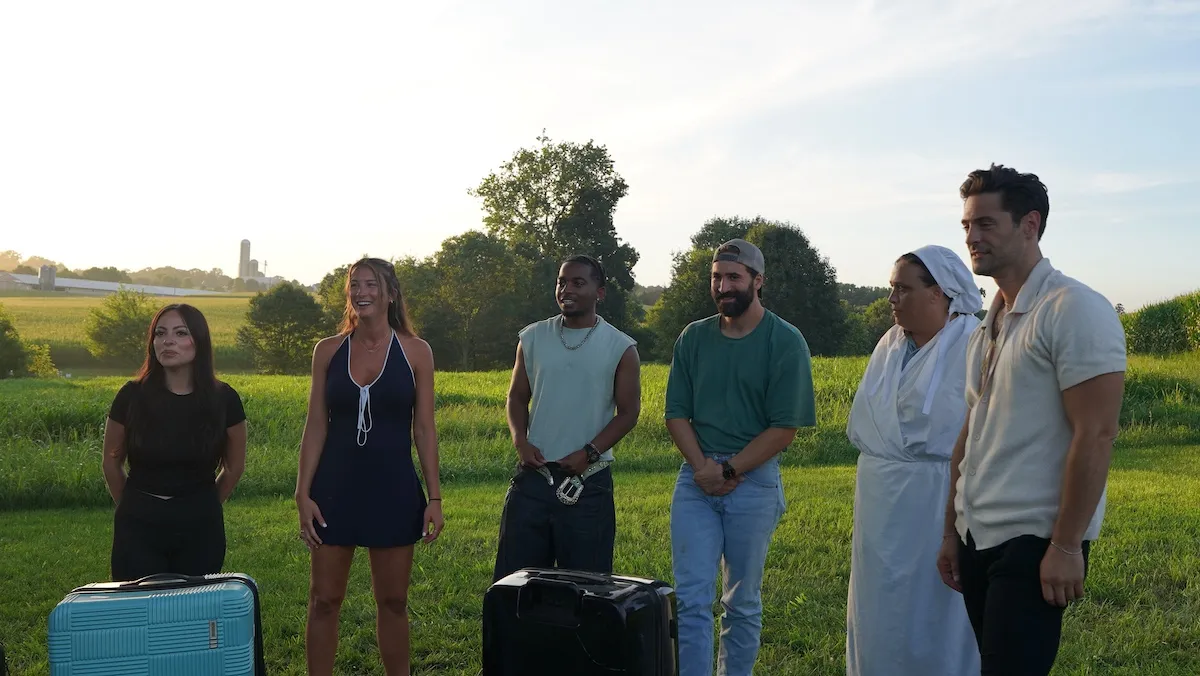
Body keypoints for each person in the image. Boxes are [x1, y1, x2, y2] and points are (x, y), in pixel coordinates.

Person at [936, 164, 1127, 674]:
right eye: (967, 226)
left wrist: (1066, 545)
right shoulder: (987, 324)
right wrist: (953, 531)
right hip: (979, 533)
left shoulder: (1074, 308)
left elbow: (1098, 432)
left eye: (986, 224)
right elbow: (971, 431)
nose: (972, 238)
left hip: (1034, 538)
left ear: (1030, 225)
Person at [664, 239, 816, 676]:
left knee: (741, 602)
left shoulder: (785, 341)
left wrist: (729, 469)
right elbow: (676, 412)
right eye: (717, 277)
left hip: (754, 481)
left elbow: (783, 428)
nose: (723, 285)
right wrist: (703, 469)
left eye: (734, 277)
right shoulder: (693, 338)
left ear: (757, 281)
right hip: (696, 479)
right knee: (691, 598)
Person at [295, 257, 444, 676]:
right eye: (354, 285)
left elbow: (425, 429)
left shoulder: (416, 351)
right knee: (324, 599)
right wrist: (302, 493)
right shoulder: (327, 351)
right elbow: (316, 425)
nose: (360, 292)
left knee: (393, 601)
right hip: (333, 491)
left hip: (393, 490)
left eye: (371, 284)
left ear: (391, 293)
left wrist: (434, 497)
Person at [844, 245, 982, 675]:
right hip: (880, 497)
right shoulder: (888, 346)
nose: (891, 300)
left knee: (936, 605)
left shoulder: (974, 346)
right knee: (878, 602)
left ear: (938, 294)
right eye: (892, 289)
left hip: (938, 494)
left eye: (902, 289)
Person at [493, 254, 641, 581]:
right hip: (533, 478)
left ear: (599, 293)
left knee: (586, 591)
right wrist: (520, 440)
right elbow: (517, 397)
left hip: (586, 484)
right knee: (517, 583)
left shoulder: (621, 347)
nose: (566, 289)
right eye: (561, 282)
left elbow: (629, 413)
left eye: (578, 282)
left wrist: (589, 453)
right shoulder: (532, 338)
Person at [102, 303, 247, 581]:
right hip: (138, 522)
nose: (167, 341)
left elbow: (233, 468)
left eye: (181, 333)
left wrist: (204, 505)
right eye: (160, 333)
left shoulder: (224, 399)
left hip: (200, 523)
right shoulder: (131, 395)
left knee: (191, 612)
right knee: (139, 612)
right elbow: (111, 460)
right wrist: (132, 506)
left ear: (200, 342)